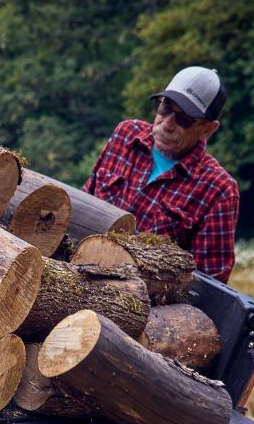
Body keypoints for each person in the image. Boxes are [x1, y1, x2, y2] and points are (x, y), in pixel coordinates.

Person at [85, 66, 239, 282]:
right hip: (79, 271)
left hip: (142, 304)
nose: (167, 124)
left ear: (208, 129)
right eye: (165, 108)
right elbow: (85, 201)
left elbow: (209, 284)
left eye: (184, 119)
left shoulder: (218, 188)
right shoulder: (126, 135)